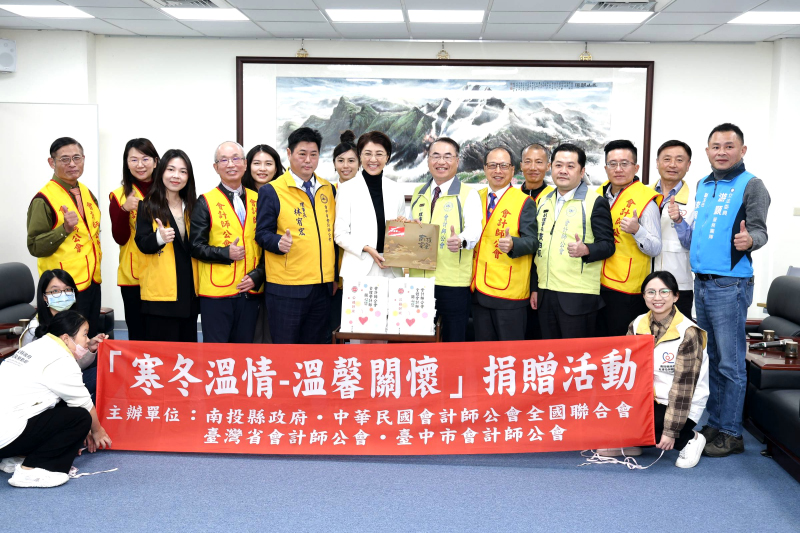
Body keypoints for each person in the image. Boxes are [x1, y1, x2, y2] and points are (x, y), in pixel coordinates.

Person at [679, 123, 770, 457]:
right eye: (715, 146)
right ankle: (717, 423)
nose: (721, 152)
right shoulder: (703, 185)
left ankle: (732, 433)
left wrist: (750, 240)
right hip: (702, 283)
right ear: (707, 151)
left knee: (730, 363)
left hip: (730, 284)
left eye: (729, 146)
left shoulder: (752, 185)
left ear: (742, 150)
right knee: (713, 359)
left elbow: (760, 231)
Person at [0, 311, 112, 488]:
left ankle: (16, 457)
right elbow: (84, 404)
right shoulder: (61, 360)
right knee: (80, 418)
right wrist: (97, 431)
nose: (87, 339)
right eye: (84, 334)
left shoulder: (39, 345)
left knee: (62, 406)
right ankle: (32, 469)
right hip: (7, 435)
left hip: (6, 430)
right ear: (66, 338)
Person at [256, 127, 337, 344]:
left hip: (322, 286)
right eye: (302, 154)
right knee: (286, 351)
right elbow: (262, 233)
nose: (308, 160)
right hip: (287, 287)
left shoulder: (328, 189)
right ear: (289, 153)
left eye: (313, 154)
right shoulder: (271, 190)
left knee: (315, 352)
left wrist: (334, 277)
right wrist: (278, 242)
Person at [625, 271, 709, 468]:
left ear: (676, 296)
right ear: (643, 296)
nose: (657, 297)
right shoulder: (637, 324)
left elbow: (683, 390)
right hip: (647, 399)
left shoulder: (688, 332)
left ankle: (689, 438)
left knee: (644, 426)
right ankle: (635, 439)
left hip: (680, 403)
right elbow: (627, 369)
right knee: (608, 413)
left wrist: (671, 431)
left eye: (664, 292)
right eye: (651, 292)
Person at [534, 143, 615, 339]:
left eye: (570, 166)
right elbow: (538, 247)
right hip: (545, 292)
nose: (563, 171)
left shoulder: (595, 202)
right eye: (558, 165)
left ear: (582, 171)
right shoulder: (543, 201)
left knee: (575, 355)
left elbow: (608, 245)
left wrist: (586, 249)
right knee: (549, 353)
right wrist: (534, 288)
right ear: (551, 168)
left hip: (577, 295)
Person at [406, 138, 482, 342]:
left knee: (452, 341)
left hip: (452, 283)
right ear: (428, 160)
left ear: (457, 160)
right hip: (419, 282)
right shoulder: (419, 193)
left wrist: (461, 240)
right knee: (419, 341)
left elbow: (475, 229)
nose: (441, 162)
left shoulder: (469, 194)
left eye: (448, 157)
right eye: (436, 156)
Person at [190, 142, 265, 344]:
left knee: (244, 352)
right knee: (217, 354)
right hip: (217, 294)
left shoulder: (259, 199)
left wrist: (257, 276)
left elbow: (266, 246)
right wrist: (225, 253)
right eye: (224, 160)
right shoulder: (205, 201)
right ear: (216, 167)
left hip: (250, 291)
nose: (231, 164)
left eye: (235, 158)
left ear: (245, 164)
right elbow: (195, 246)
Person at [27, 137, 102, 338]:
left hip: (92, 281)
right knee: (67, 342)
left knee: (89, 339)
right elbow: (34, 246)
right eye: (65, 159)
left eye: (77, 158)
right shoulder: (43, 199)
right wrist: (64, 229)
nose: (72, 164)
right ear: (51, 162)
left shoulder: (86, 192)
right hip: (63, 290)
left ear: (83, 159)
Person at [470, 147, 538, 341]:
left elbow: (533, 241)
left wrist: (514, 244)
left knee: (509, 353)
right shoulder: (474, 198)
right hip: (477, 289)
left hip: (508, 293)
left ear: (512, 169)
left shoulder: (525, 201)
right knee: (484, 352)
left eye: (503, 166)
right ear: (485, 168)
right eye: (492, 165)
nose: (497, 171)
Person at [596, 139, 662, 337]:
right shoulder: (597, 195)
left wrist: (637, 230)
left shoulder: (645, 200)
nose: (618, 169)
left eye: (624, 163)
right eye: (613, 164)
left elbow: (655, 247)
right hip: (595, 283)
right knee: (598, 343)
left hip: (626, 289)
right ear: (605, 168)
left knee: (620, 345)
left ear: (636, 167)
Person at [135, 149, 199, 342]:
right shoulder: (147, 205)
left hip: (188, 292)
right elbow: (142, 243)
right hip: (161, 296)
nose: (176, 176)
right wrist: (159, 238)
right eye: (171, 169)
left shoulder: (194, 206)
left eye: (182, 171)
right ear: (161, 171)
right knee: (162, 353)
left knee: (187, 353)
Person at [19, 269, 107, 399]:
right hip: (45, 390)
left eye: (67, 290)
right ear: (44, 297)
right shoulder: (34, 329)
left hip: (66, 378)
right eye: (55, 291)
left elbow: (75, 365)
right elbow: (31, 373)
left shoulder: (72, 320)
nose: (63, 295)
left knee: (107, 372)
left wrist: (90, 349)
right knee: (103, 376)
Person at [335, 130, 406, 281]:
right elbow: (340, 234)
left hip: (391, 270)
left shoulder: (396, 189)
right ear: (360, 156)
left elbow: (399, 232)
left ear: (387, 157)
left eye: (379, 154)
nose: (373, 159)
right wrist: (366, 248)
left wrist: (404, 226)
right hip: (358, 270)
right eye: (367, 154)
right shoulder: (347, 189)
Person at [108, 138, 160, 341]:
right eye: (134, 160)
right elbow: (120, 238)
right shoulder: (119, 196)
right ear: (126, 163)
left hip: (164, 274)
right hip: (134, 275)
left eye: (145, 159)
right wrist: (124, 209)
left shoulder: (167, 191)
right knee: (138, 332)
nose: (140, 165)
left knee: (162, 331)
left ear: (155, 161)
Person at [241, 144, 285, 344]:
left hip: (278, 274)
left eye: (268, 163)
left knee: (272, 334)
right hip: (244, 275)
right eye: (257, 163)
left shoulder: (285, 196)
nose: (262, 169)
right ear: (248, 166)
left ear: (276, 167)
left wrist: (260, 273)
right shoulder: (239, 197)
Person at [652, 140, 695, 319]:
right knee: (643, 334)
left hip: (679, 285)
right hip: (644, 285)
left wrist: (679, 220)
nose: (672, 165)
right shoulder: (643, 195)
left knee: (679, 334)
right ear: (657, 163)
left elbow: (694, 244)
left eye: (679, 160)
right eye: (667, 159)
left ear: (688, 165)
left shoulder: (696, 200)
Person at [520, 143, 554, 340]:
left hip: (542, 278)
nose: (533, 167)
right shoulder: (512, 196)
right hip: (513, 275)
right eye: (528, 162)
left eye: (539, 162)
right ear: (520, 165)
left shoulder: (555, 198)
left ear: (548, 166)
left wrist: (535, 286)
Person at [329, 131, 359, 339]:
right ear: (334, 164)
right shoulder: (327, 192)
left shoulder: (367, 192)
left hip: (358, 264)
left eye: (351, 160)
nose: (345, 166)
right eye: (340, 161)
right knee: (333, 326)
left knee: (357, 326)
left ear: (359, 163)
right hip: (331, 268)